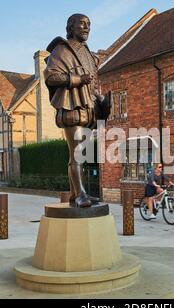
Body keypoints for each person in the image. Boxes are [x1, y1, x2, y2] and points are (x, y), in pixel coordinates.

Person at [44, 14, 111, 208]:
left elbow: (92, 85)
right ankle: (80, 193)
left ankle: (76, 194)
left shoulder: (89, 55)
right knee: (77, 155)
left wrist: (101, 99)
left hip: (89, 110)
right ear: (70, 27)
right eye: (82, 24)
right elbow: (50, 77)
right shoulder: (61, 50)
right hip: (72, 107)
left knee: (80, 155)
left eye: (89, 24)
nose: (86, 28)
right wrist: (76, 79)